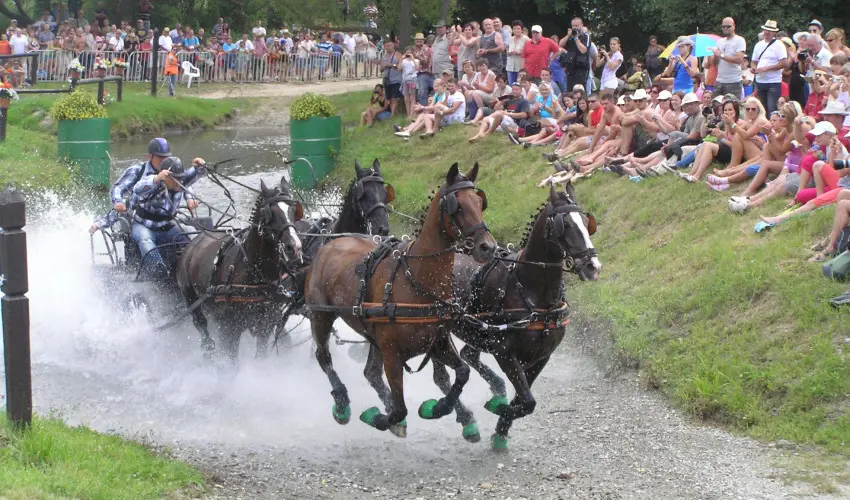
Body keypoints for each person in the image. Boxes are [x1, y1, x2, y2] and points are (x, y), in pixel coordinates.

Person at [91, 138, 207, 279]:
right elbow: (133, 188)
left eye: (166, 157)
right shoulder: (141, 175)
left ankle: (195, 269)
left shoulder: (176, 176)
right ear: (150, 156)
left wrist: (200, 168)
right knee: (145, 239)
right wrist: (118, 202)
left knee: (192, 233)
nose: (164, 161)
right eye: (160, 157)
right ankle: (160, 273)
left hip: (168, 225)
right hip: (143, 224)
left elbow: (188, 181)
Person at [752, 20, 788, 114]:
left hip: (773, 81)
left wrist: (766, 68)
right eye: (766, 30)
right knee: (762, 110)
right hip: (760, 81)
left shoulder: (779, 44)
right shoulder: (758, 45)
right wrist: (754, 68)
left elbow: (784, 63)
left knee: (772, 109)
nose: (767, 32)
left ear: (774, 33)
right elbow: (754, 62)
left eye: (770, 31)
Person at [712, 17, 746, 99]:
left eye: (728, 26)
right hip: (719, 80)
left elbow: (739, 59)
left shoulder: (739, 40)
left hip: (733, 81)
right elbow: (714, 64)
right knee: (715, 104)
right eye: (723, 27)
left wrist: (721, 55)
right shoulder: (720, 41)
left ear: (734, 26)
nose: (725, 28)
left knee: (733, 105)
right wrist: (715, 56)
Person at [559, 17, 591, 92]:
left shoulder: (586, 36)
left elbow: (583, 50)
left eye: (577, 25)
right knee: (570, 91)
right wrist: (568, 36)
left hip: (581, 68)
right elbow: (560, 44)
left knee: (579, 90)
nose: (575, 27)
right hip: (570, 67)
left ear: (581, 25)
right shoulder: (570, 37)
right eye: (573, 26)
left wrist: (576, 38)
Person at [381, 40, 402, 116]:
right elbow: (381, 69)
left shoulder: (398, 55)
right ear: (385, 47)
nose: (389, 47)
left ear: (393, 46)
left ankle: (392, 116)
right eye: (387, 46)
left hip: (396, 80)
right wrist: (383, 66)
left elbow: (401, 66)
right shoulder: (383, 57)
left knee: (394, 98)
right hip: (387, 80)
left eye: (390, 45)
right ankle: (392, 113)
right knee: (389, 98)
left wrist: (392, 65)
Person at [506, 21, 528, 85]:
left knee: (521, 85)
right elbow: (507, 50)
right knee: (511, 85)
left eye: (518, 28)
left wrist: (519, 52)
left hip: (520, 67)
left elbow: (529, 51)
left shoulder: (526, 39)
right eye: (514, 28)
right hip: (510, 66)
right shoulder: (510, 39)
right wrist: (508, 52)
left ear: (522, 30)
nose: (516, 30)